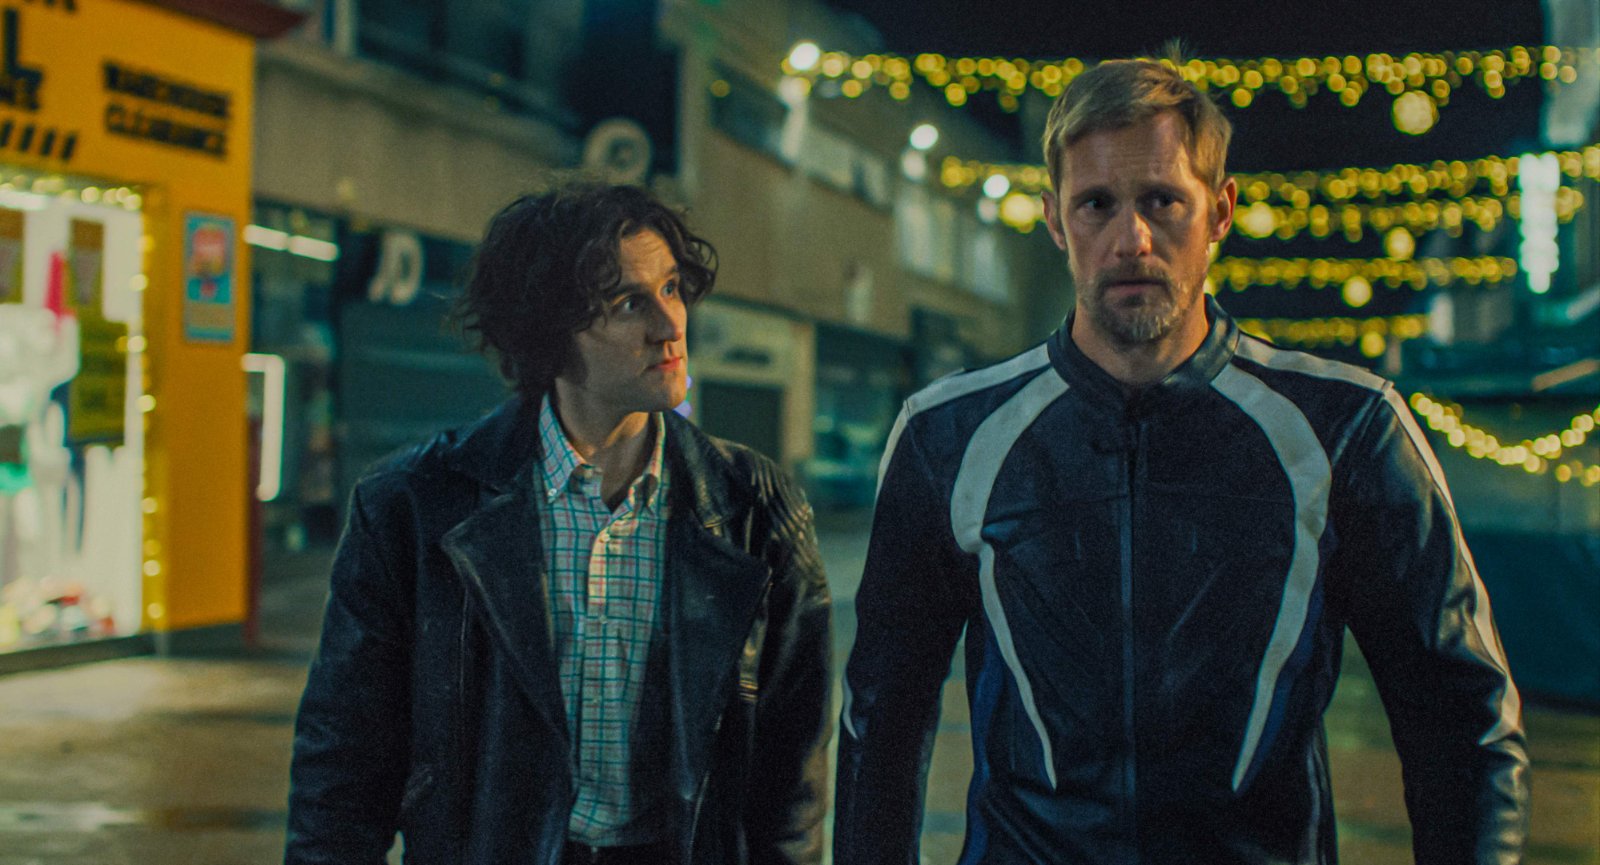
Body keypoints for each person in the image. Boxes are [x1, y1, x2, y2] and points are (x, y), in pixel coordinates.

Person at [833, 55, 1529, 864]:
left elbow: (1460, 719)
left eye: (1162, 200)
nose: (1131, 239)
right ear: (1056, 221)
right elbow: (882, 721)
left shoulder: (1347, 428)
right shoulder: (949, 437)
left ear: (1220, 211)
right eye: (1096, 204)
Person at [286, 183, 832, 865]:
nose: (670, 325)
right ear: (549, 333)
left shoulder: (752, 507)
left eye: (671, 288)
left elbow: (790, 778)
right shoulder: (416, 504)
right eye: (629, 303)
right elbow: (345, 763)